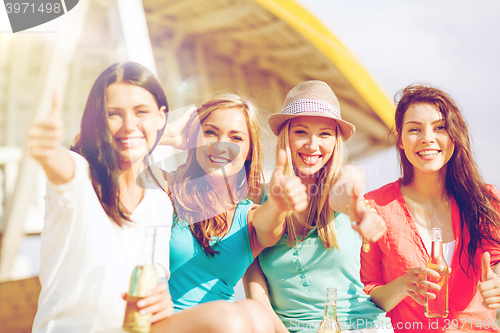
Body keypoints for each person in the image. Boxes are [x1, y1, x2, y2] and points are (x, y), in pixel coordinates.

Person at [30, 62, 173, 332]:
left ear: (161, 117)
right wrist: (47, 151)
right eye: (113, 114)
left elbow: (155, 284)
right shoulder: (81, 177)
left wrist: (161, 301)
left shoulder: (160, 203)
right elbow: (63, 166)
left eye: (141, 111)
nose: (129, 125)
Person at [243, 80, 392, 333]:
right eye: (301, 132)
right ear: (286, 136)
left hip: (361, 326)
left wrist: (360, 211)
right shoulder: (258, 199)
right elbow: (256, 294)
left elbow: (346, 191)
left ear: (336, 141)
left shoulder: (344, 179)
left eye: (324, 134)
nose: (313, 145)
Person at [151, 93, 308, 333]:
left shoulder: (249, 217)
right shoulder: (167, 188)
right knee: (231, 317)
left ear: (248, 151)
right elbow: (102, 161)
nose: (221, 144)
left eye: (235, 137)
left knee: (255, 314)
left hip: (224, 326)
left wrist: (277, 205)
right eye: (211, 132)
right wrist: (164, 136)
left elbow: (268, 223)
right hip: (161, 324)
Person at [360, 84, 500, 332]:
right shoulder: (375, 206)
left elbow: (496, 264)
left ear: (455, 136)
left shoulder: (485, 199)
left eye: (440, 128)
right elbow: (368, 295)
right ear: (400, 140)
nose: (427, 138)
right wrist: (403, 285)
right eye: (414, 129)